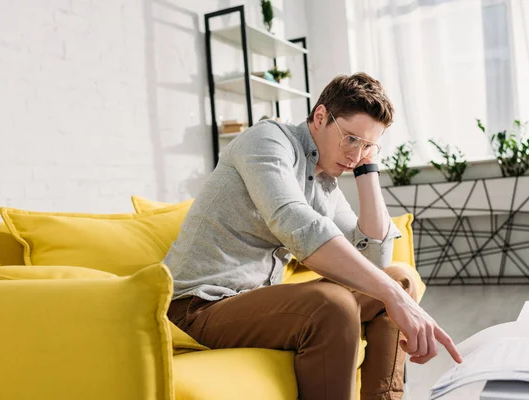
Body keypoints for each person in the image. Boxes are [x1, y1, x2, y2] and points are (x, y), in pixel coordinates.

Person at [165, 72, 462, 400]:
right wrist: (393, 296)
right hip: (197, 306)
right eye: (350, 138)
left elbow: (375, 261)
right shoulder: (267, 141)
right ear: (320, 116)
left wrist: (368, 170)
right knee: (333, 305)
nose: (354, 155)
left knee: (399, 280)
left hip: (249, 302)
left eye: (367, 145)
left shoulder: (323, 183)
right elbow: (297, 223)